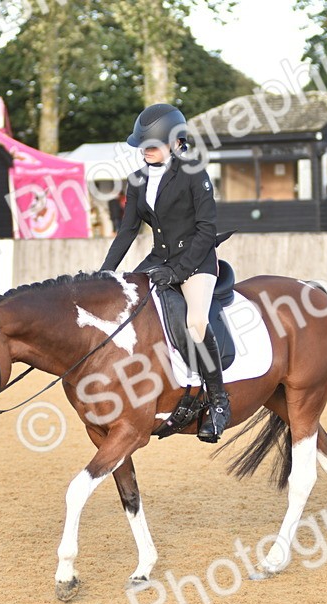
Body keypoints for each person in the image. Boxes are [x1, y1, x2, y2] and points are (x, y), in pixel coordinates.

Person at [99, 103, 230, 442]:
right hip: (158, 261)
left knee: (196, 323)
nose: (147, 152)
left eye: (153, 146)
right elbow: (127, 232)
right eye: (143, 147)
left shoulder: (193, 172)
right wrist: (104, 274)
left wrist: (179, 271)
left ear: (175, 142)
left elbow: (206, 229)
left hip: (196, 263)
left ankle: (218, 402)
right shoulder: (138, 179)